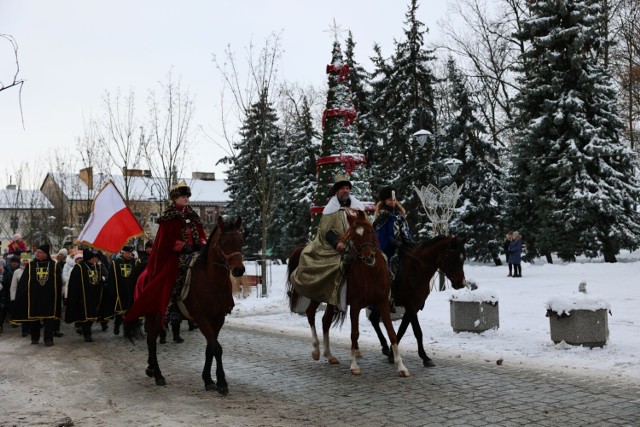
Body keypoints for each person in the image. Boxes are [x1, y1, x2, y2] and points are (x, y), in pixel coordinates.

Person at [124, 182, 207, 344]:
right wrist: (183, 246)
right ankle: (171, 307)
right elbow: (166, 241)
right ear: (175, 198)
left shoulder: (193, 216)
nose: (186, 199)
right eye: (183, 196)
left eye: (187, 196)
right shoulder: (169, 217)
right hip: (176, 256)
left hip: (195, 253)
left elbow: (202, 234)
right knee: (171, 276)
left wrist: (203, 244)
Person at [290, 173, 365, 311]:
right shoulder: (330, 210)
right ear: (337, 191)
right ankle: (336, 299)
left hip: (356, 244)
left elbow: (363, 226)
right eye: (343, 188)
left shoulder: (357, 208)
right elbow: (326, 231)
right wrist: (337, 243)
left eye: (348, 188)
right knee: (338, 266)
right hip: (335, 246)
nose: (346, 191)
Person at [11, 244, 63, 347]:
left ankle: (48, 339)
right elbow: (24, 282)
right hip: (34, 297)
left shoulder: (54, 265)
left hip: (48, 297)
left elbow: (58, 282)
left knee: (49, 319)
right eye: (37, 252)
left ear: (45, 254)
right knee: (34, 318)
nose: (37, 254)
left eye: (39, 252)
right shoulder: (31, 266)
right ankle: (35, 337)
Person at [372, 186, 415, 309]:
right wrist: (395, 243)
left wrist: (410, 243)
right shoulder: (382, 217)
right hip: (388, 250)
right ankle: (388, 298)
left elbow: (406, 232)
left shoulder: (400, 215)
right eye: (390, 200)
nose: (393, 202)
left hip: (402, 248)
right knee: (390, 268)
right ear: (384, 201)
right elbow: (381, 236)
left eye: (394, 199)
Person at [65, 249, 105, 342]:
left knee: (92, 315)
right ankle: (87, 334)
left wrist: (102, 279)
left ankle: (86, 330)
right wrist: (76, 296)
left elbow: (99, 278)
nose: (94, 260)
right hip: (83, 296)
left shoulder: (96, 267)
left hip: (95, 295)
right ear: (88, 258)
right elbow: (74, 284)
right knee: (85, 316)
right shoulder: (78, 267)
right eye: (92, 258)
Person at [106, 245, 139, 335]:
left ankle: (127, 331)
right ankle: (117, 325)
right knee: (120, 312)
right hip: (120, 291)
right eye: (127, 253)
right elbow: (111, 278)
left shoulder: (134, 262)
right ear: (122, 253)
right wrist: (112, 291)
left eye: (130, 253)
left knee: (129, 312)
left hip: (130, 291)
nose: (129, 255)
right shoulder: (115, 263)